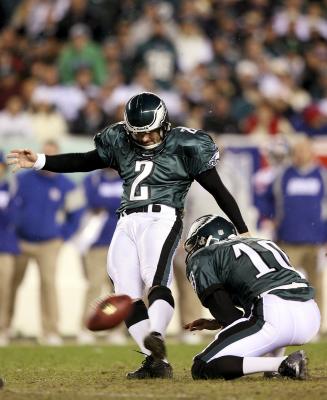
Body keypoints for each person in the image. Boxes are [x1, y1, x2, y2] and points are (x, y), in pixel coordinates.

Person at [7, 92, 249, 378]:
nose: (145, 139)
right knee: (124, 292)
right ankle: (156, 362)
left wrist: (242, 228)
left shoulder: (186, 143)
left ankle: (156, 334)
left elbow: (218, 190)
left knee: (155, 279)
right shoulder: (120, 139)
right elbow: (84, 161)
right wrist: (40, 161)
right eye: (138, 134)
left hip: (163, 217)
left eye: (150, 133)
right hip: (126, 220)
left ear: (165, 123)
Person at [183, 214, 320, 380]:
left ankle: (283, 363)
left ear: (207, 240)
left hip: (274, 314)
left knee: (202, 366)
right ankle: (275, 367)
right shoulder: (265, 243)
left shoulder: (205, 256)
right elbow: (268, 285)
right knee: (262, 311)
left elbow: (229, 316)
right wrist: (217, 322)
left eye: (195, 244)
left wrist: (226, 322)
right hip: (310, 313)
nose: (193, 251)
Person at [8, 140, 84, 345]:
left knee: (48, 285)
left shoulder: (67, 185)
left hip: (50, 243)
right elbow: (10, 206)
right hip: (21, 241)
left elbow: (77, 214)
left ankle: (51, 331)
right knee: (9, 284)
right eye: (46, 154)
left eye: (53, 155)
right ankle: (3, 328)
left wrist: (63, 236)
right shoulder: (23, 179)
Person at [75, 168, 127, 345]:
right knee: (94, 286)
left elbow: (129, 202)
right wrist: (116, 202)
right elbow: (92, 200)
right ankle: (85, 328)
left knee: (119, 290)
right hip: (97, 243)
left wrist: (106, 204)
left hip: (122, 243)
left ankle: (117, 330)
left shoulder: (127, 176)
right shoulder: (93, 178)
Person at [0, 150, 19, 346]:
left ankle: (3, 329)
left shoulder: (10, 188)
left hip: (4, 247)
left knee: (4, 290)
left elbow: (11, 217)